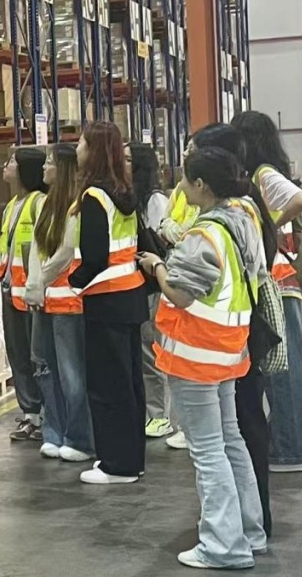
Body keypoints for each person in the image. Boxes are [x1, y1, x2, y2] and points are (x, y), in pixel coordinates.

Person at [138, 146, 267, 570]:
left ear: (201, 185)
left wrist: (157, 266)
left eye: (184, 179)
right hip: (229, 351)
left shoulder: (204, 234)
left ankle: (223, 545)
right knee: (230, 441)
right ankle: (250, 532)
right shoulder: (244, 220)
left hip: (196, 356)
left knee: (208, 451)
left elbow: (179, 293)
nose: (179, 186)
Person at [188, 122, 281, 536]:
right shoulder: (244, 207)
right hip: (237, 334)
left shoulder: (234, 214)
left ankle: (242, 527)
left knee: (238, 430)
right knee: (238, 430)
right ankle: (248, 523)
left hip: (230, 337)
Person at [233, 111, 302, 474]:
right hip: (278, 282)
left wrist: (266, 226)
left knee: (284, 370)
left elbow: (300, 201)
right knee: (284, 367)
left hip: (279, 282)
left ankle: (293, 448)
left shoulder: (264, 174)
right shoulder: (261, 174)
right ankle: (288, 440)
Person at [69, 122, 149, 485]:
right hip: (130, 296)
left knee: (107, 385)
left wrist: (72, 283)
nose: (77, 148)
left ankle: (117, 465)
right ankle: (131, 458)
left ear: (94, 151)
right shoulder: (124, 192)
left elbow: (95, 256)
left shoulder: (94, 197)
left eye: (82, 143)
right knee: (129, 383)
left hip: (105, 300)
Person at [24, 144, 94, 462]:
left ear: (63, 168)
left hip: (69, 302)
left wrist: (40, 281)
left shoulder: (78, 205)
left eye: (50, 162)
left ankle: (79, 438)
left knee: (71, 374)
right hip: (44, 300)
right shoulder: (44, 204)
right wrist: (34, 286)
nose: (44, 167)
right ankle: (54, 431)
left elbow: (66, 252)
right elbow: (37, 250)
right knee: (44, 368)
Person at [0, 148, 49, 441]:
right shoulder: (11, 206)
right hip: (10, 290)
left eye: (12, 162)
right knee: (18, 354)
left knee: (36, 355)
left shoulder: (39, 203)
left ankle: (45, 414)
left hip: (31, 294)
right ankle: (30, 413)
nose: (6, 165)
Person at [129, 142, 173, 440]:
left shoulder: (154, 201)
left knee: (151, 347)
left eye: (127, 159)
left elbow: (161, 242)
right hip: (137, 284)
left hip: (153, 284)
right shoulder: (129, 198)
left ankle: (160, 415)